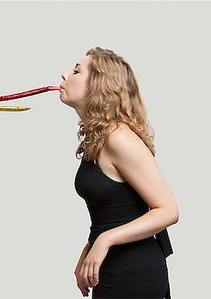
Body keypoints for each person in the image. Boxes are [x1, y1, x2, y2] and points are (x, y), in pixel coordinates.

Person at [59, 47, 179, 298]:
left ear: (99, 86)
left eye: (76, 71)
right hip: (112, 268)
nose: (64, 75)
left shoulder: (119, 138)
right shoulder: (100, 138)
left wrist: (104, 241)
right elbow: (117, 211)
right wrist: (89, 248)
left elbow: (168, 211)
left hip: (136, 271)